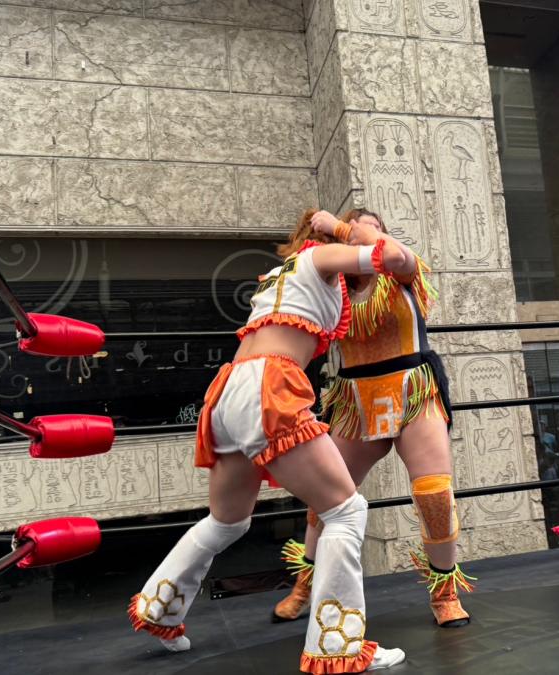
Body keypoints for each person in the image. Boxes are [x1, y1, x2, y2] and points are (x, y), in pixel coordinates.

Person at [128, 209, 408, 673]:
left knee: (226, 522)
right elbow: (394, 256)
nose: (372, 234)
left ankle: (159, 608)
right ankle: (338, 645)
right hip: (268, 387)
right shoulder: (320, 257)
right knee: (346, 511)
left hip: (229, 391)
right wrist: (344, 229)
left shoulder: (284, 273)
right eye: (366, 227)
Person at [272, 208, 473, 629]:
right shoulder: (332, 281)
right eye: (360, 227)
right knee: (325, 497)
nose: (367, 233)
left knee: (434, 493)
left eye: (375, 229)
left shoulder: (398, 268)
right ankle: (305, 586)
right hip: (355, 398)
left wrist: (342, 226)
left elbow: (395, 255)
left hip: (412, 389)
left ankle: (445, 593)